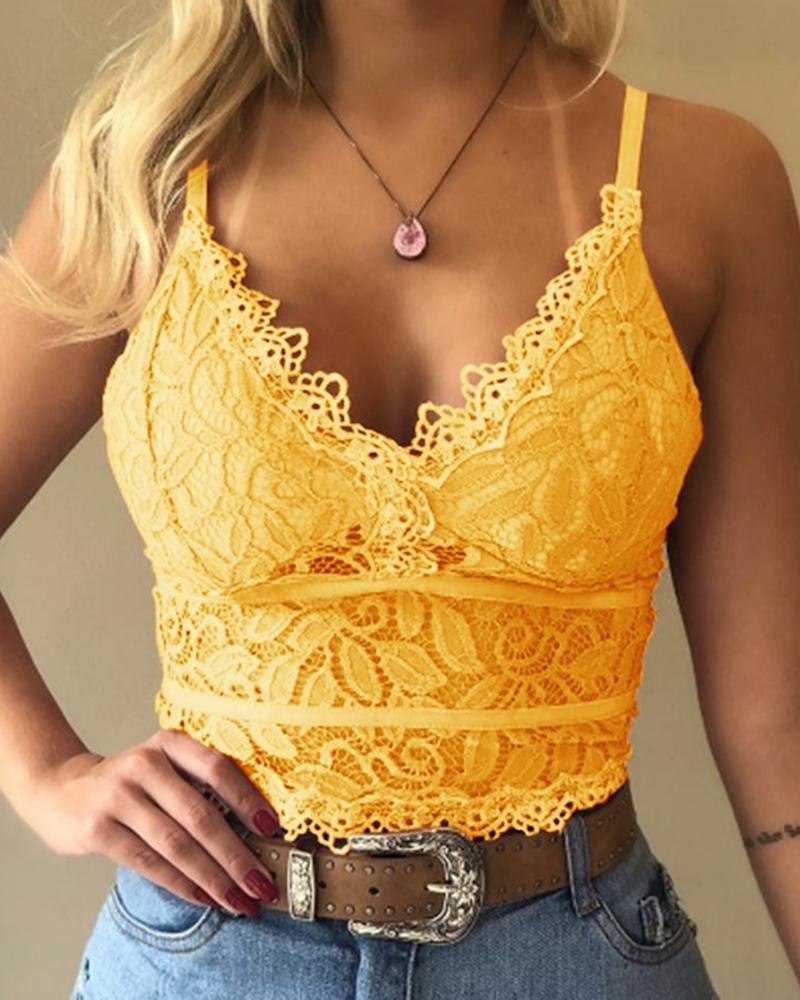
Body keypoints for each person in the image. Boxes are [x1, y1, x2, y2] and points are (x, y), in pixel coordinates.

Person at [0, 1, 797, 997]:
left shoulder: (707, 182)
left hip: (575, 960)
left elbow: (776, 724)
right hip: (213, 955)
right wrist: (44, 775)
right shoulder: (138, 169)